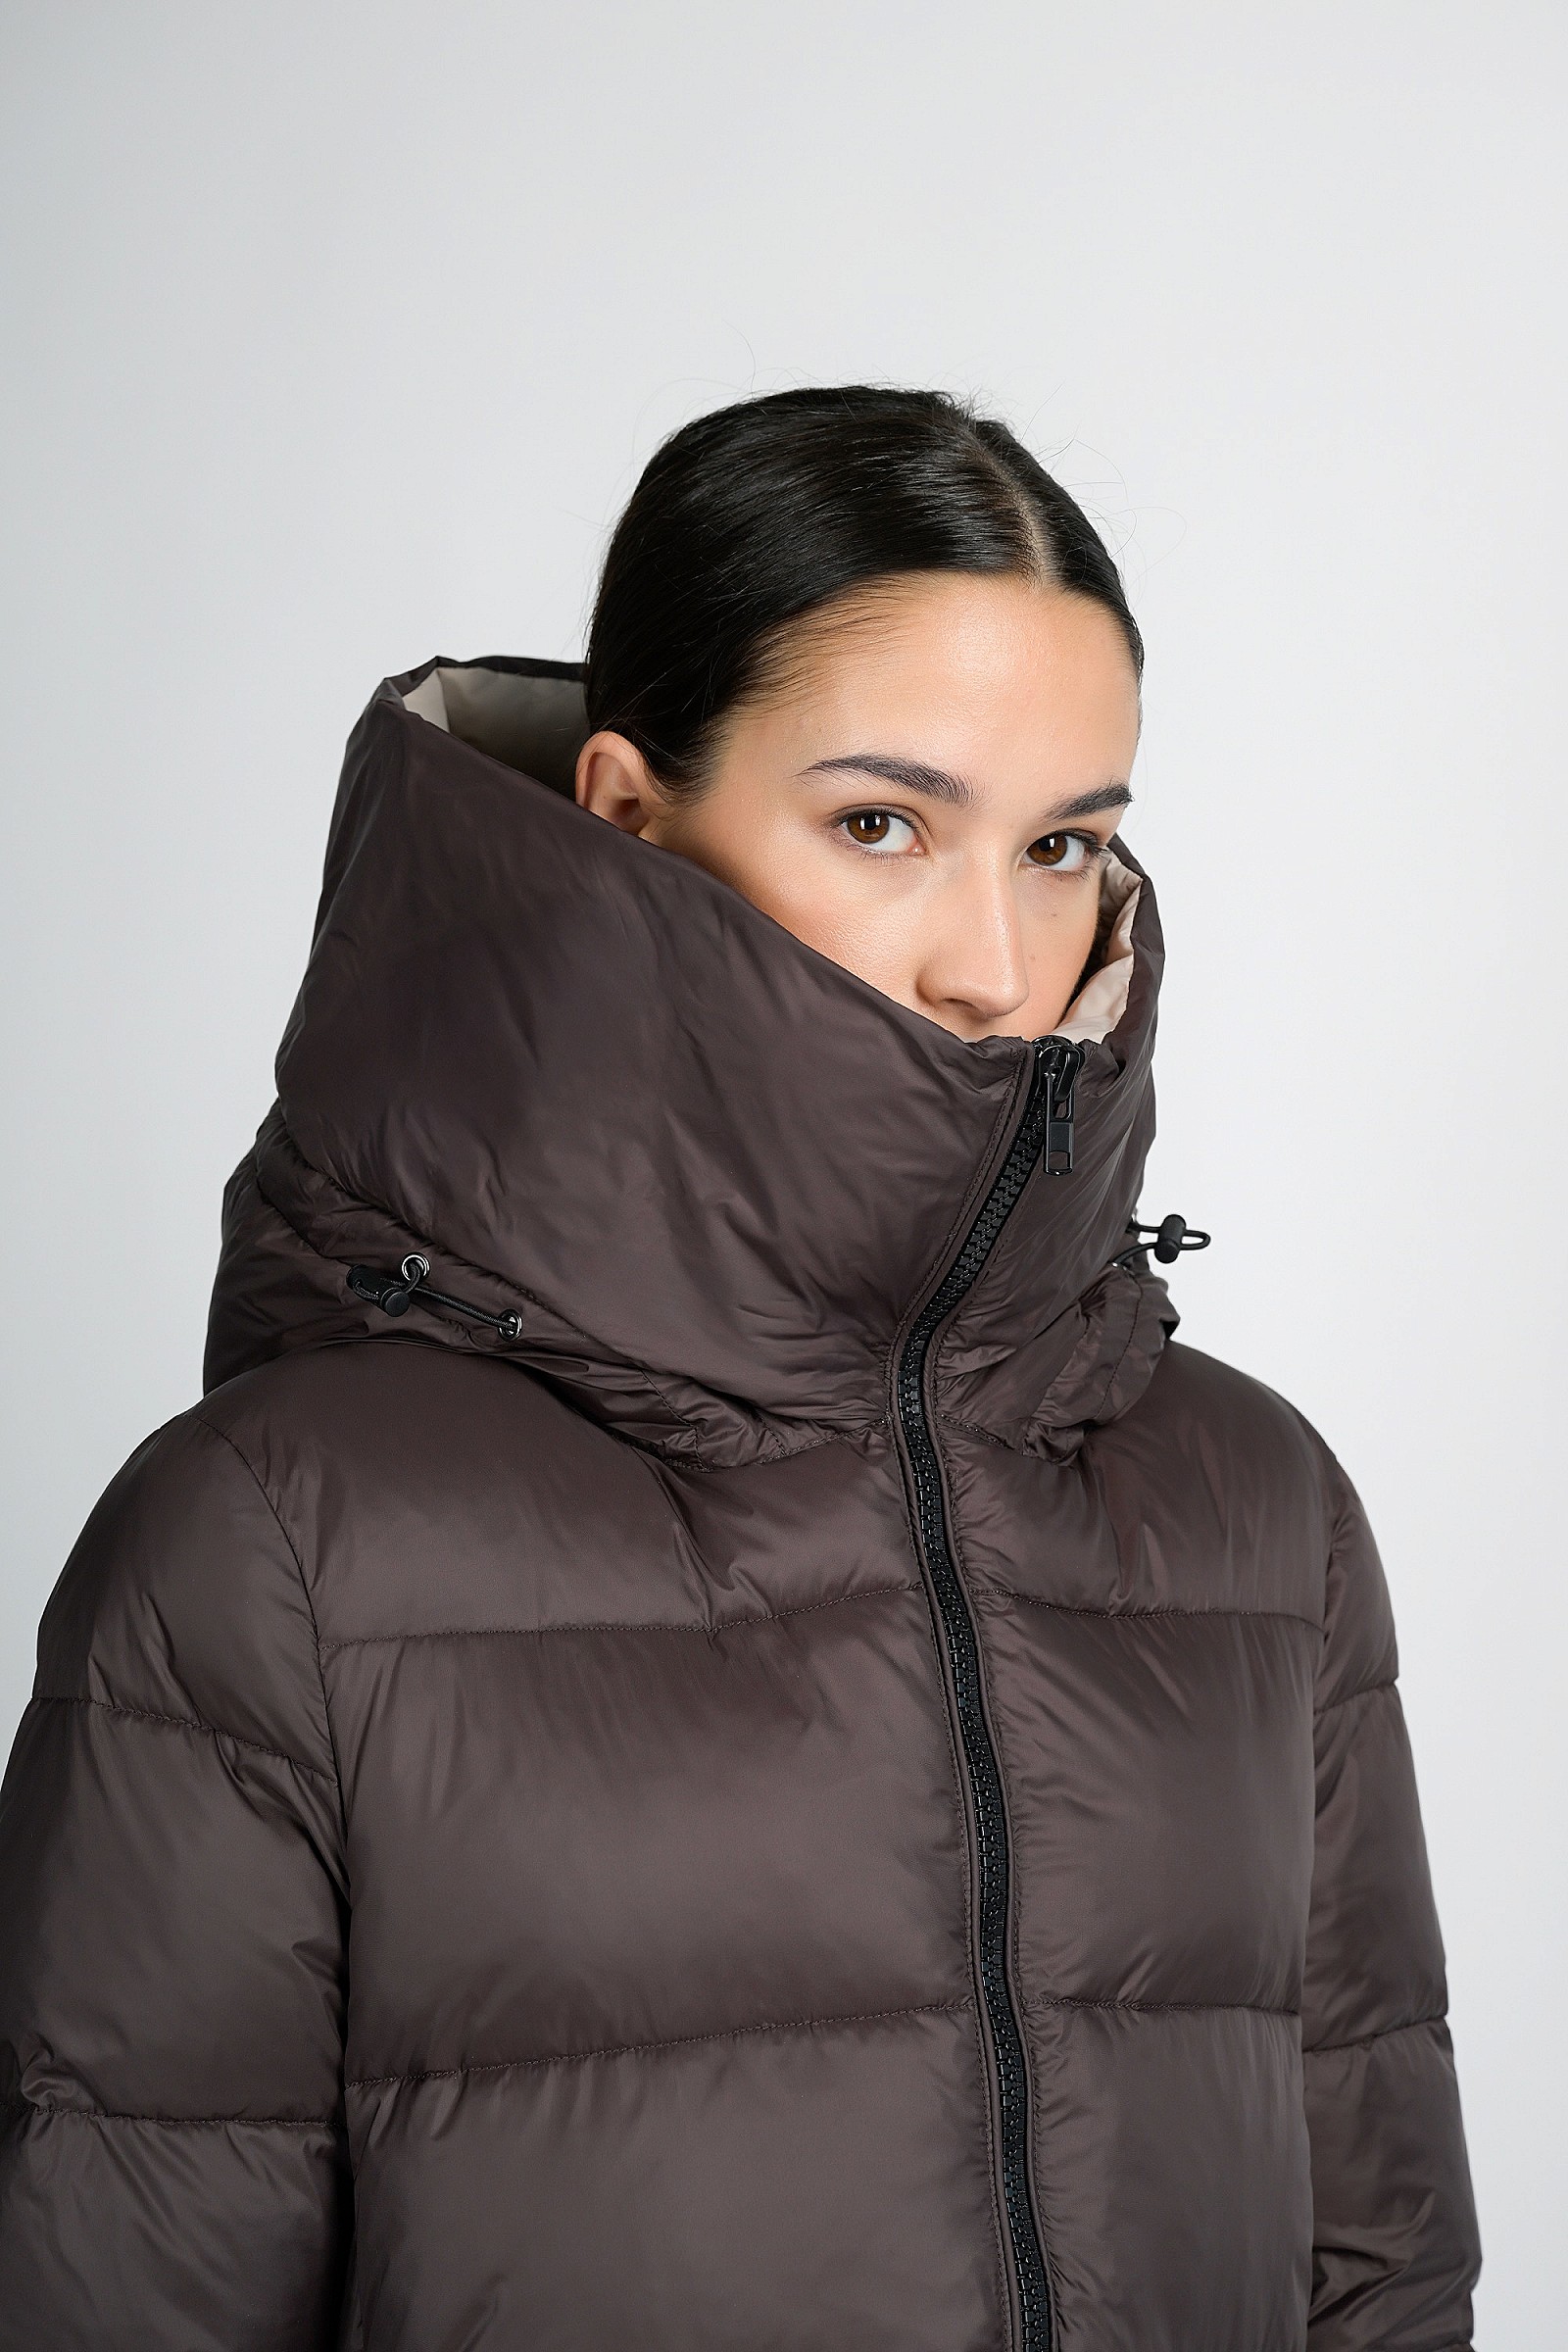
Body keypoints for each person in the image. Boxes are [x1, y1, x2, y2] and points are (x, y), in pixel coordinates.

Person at [0, 388, 1480, 2350]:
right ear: (626, 813)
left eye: (1061, 846)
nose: (991, 964)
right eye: (882, 824)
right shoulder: (275, 1544)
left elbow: (1378, 2274)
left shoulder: (1254, 1509)